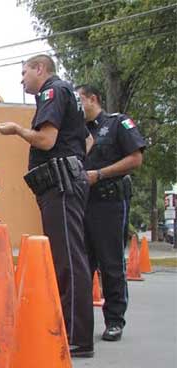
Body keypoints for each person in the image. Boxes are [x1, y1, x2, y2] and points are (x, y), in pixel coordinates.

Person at [0, 54, 94, 358]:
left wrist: (16, 130)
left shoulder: (51, 91)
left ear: (40, 69)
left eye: (24, 72)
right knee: (68, 256)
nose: (22, 79)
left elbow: (46, 141)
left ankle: (77, 338)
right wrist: (76, 162)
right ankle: (70, 329)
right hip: (69, 179)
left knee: (68, 259)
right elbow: (87, 140)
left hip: (61, 184)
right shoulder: (68, 95)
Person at [77, 84, 145, 342]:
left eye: (79, 100)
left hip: (110, 202)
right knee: (82, 265)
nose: (76, 106)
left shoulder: (118, 123)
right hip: (82, 203)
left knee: (111, 263)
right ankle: (79, 322)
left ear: (92, 99)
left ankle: (114, 320)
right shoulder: (79, 132)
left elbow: (135, 159)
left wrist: (100, 174)